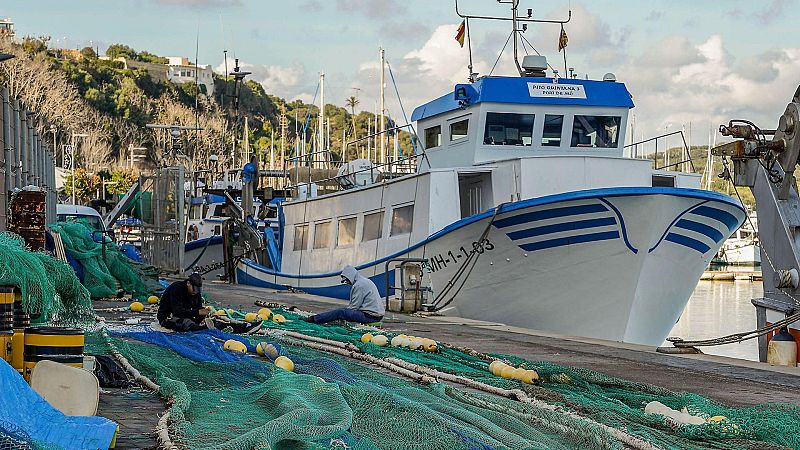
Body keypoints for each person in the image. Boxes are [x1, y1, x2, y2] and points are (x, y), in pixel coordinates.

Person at [157, 273, 260, 334]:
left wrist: (204, 315)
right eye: (194, 288)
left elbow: (198, 310)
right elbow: (177, 311)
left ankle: (242, 327)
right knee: (189, 325)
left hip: (187, 316)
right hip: (168, 317)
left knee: (214, 322)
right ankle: (206, 329)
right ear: (188, 283)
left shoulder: (195, 292)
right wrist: (198, 313)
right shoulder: (177, 288)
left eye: (197, 289)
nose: (195, 292)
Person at [305, 266, 385, 324]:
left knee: (340, 312)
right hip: (376, 315)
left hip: (370, 317)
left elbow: (354, 307)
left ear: (350, 276)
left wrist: (338, 315)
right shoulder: (365, 281)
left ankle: (314, 319)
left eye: (346, 280)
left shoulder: (359, 285)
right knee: (340, 311)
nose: (347, 283)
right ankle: (318, 318)